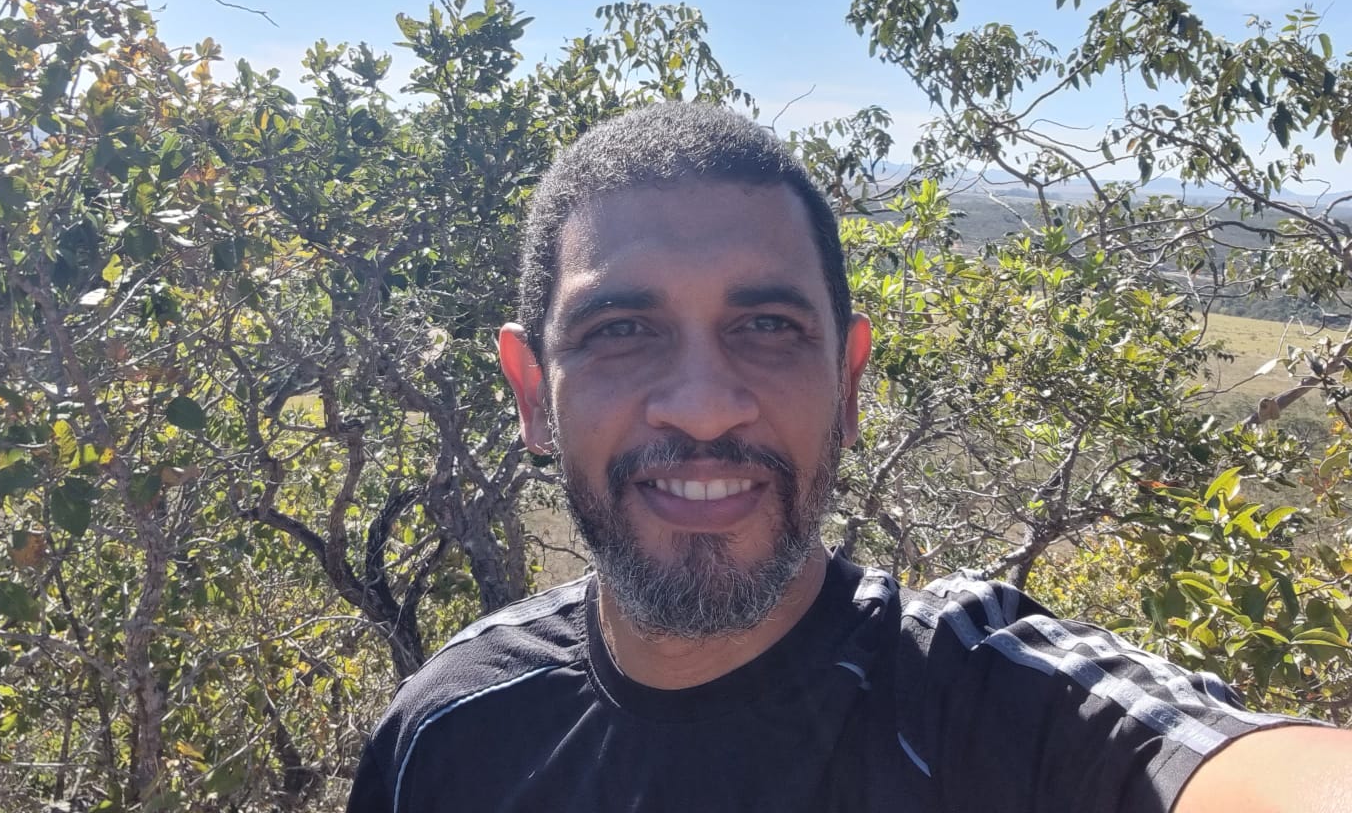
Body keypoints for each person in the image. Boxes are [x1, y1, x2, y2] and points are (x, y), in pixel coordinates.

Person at [346, 101, 1352, 813]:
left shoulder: (993, 709)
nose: (701, 408)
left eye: (769, 327)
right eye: (620, 331)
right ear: (531, 392)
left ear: (849, 383)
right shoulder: (447, 731)